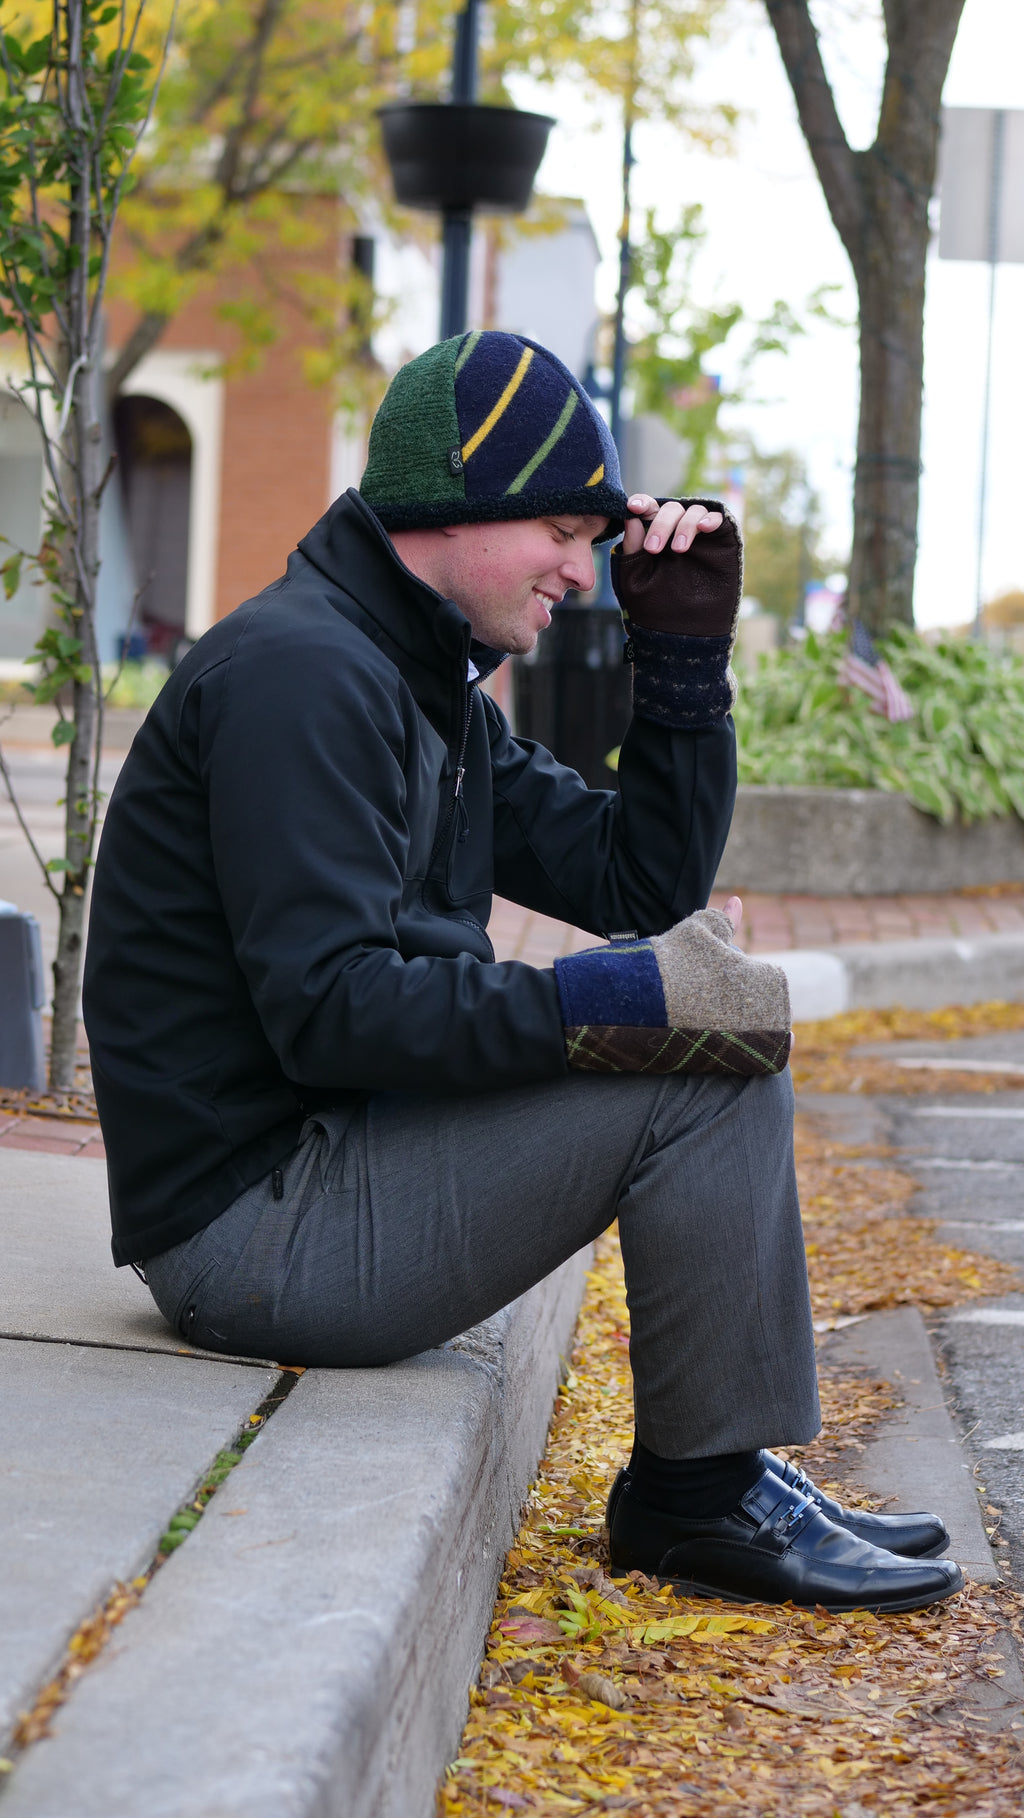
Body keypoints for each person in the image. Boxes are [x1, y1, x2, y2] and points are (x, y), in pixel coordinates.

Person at [83, 330, 961, 1615]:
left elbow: (634, 883)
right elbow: (332, 1011)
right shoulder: (304, 678)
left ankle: (715, 1478)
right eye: (561, 528)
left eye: (595, 541)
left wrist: (680, 671)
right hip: (251, 1230)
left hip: (332, 1165)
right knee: (698, 1072)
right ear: (458, 506)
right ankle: (696, 1496)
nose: (579, 568)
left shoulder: (418, 686)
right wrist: (606, 1001)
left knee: (703, 1037)